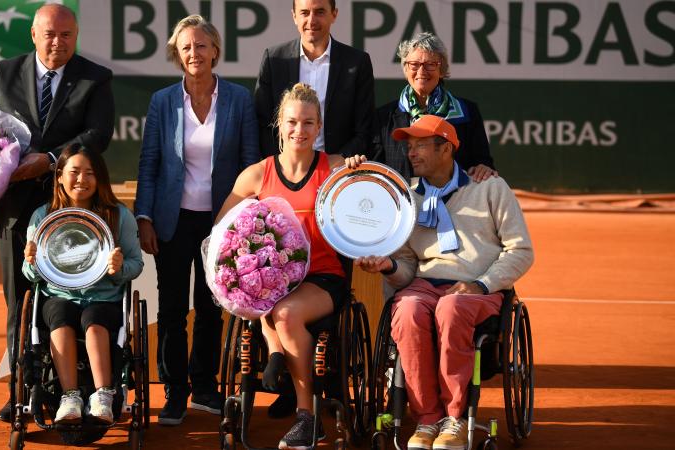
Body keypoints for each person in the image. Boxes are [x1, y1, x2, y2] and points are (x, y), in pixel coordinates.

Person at [355, 115, 533, 450]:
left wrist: (482, 284)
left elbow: (521, 251)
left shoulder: (490, 188)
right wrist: (389, 265)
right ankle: (427, 420)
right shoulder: (408, 198)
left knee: (451, 309)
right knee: (406, 309)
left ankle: (454, 418)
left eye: (420, 145)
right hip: (423, 284)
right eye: (409, 147)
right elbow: (407, 268)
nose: (411, 153)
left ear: (446, 148)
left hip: (477, 286)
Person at [0, 3, 115, 422]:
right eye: (50, 34)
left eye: (67, 35)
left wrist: (52, 159)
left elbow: (98, 135)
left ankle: (73, 387)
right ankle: (22, 389)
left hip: (70, 209)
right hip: (15, 210)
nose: (58, 43)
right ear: (34, 35)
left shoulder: (95, 78)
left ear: (76, 37)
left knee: (63, 296)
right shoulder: (4, 74)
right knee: (18, 303)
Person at [217, 83, 363, 450]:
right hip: (272, 280)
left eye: (308, 123)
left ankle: (308, 418)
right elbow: (222, 233)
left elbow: (367, 209)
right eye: (292, 122)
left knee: (282, 312)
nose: (300, 130)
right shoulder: (256, 175)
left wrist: (358, 172)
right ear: (279, 124)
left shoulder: (333, 167)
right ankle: (277, 352)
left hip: (323, 277)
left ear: (319, 127)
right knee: (265, 298)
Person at [133, 15, 260, 426]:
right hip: (173, 221)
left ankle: (203, 387)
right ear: (177, 54)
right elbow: (149, 162)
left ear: (215, 51)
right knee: (171, 309)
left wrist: (241, 220)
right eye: (186, 47)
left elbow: (250, 163)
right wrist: (145, 217)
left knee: (210, 308)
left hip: (222, 222)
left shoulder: (240, 99)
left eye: (201, 45)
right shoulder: (162, 101)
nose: (194, 53)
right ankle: (174, 390)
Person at [22, 145, 142, 424]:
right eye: (74, 172)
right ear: (60, 176)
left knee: (94, 316)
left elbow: (137, 264)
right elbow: (30, 275)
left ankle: (104, 396)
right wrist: (31, 262)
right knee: (60, 315)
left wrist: (119, 268)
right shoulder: (42, 217)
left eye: (90, 173)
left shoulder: (119, 215)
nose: (82, 179)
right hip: (59, 296)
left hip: (105, 298)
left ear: (99, 178)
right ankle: (70, 397)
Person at [254, 0, 375, 158]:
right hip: (285, 172)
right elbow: (262, 124)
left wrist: (336, 162)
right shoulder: (274, 59)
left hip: (337, 173)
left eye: (319, 12)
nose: (311, 20)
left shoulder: (358, 63)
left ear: (334, 14)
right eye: (304, 13)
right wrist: (283, 165)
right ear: (294, 16)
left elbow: (365, 129)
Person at [372, 32, 496, 182]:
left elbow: (483, 162)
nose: (421, 71)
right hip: (405, 202)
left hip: (456, 202)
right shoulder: (384, 117)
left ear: (441, 70)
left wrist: (483, 167)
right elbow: (375, 168)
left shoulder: (467, 111)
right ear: (405, 68)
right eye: (414, 64)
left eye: (431, 64)